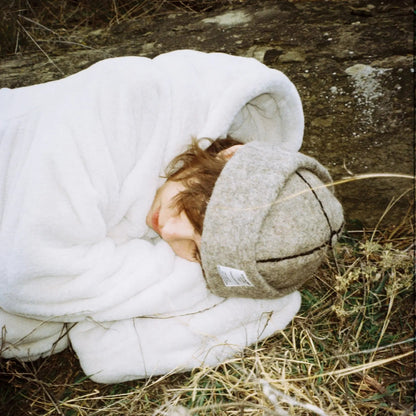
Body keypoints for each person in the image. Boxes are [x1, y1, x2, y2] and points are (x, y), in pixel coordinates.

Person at [0, 50, 343, 382]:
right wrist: (200, 287)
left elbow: (108, 351)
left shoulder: (181, 181)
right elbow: (31, 272)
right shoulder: (118, 106)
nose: (168, 231)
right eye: (192, 209)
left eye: (196, 252)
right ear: (230, 156)